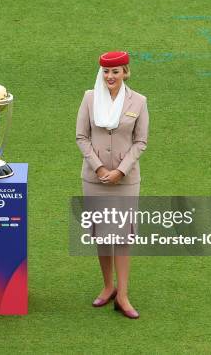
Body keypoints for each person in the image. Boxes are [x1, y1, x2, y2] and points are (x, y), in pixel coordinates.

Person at [75, 51, 149, 319]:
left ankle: (123, 295)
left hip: (125, 181)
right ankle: (108, 286)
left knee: (123, 237)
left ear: (125, 73)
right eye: (106, 72)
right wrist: (100, 167)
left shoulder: (138, 101)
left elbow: (141, 142)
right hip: (95, 179)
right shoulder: (90, 98)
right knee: (102, 235)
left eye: (115, 72)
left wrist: (120, 170)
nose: (110, 76)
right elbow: (81, 137)